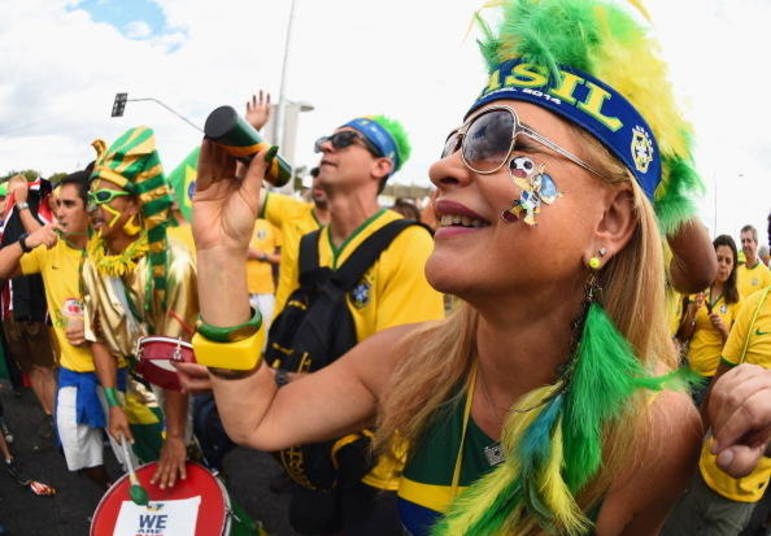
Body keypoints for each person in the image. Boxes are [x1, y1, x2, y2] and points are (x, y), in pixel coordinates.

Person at [180, 0, 710, 534]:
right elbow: (257, 418)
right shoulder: (410, 362)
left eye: (501, 141)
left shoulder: (653, 430)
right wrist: (222, 251)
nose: (441, 167)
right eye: (459, 142)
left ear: (611, 221)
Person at [81, 127, 197, 489]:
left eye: (104, 197)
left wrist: (176, 436)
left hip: (177, 396)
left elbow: (175, 360)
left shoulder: (173, 265)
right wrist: (113, 402)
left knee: (188, 481)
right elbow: (97, 336)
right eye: (91, 198)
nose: (94, 209)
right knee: (145, 481)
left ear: (133, 204)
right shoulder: (91, 261)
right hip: (125, 391)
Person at [0, 167, 121, 490]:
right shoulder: (49, 248)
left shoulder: (114, 250)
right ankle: (111, 490)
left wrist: (97, 327)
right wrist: (26, 242)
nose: (58, 212)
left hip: (120, 373)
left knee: (135, 454)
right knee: (77, 455)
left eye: (68, 205)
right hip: (72, 373)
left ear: (90, 208)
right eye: (56, 205)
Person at [664, 285, 771, 535]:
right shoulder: (755, 304)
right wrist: (691, 449)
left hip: (744, 496)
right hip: (704, 469)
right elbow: (719, 382)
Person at [0, 174, 57, 435]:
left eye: (7, 196)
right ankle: (49, 414)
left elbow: (46, 239)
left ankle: (60, 418)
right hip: (8, 312)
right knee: (30, 367)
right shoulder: (2, 226)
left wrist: (22, 205)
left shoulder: (33, 213)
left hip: (35, 306)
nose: (4, 202)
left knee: (45, 366)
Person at [678, 235, 740, 403]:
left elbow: (735, 348)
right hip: (688, 371)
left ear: (734, 266)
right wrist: (692, 311)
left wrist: (723, 330)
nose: (723, 265)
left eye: (728, 261)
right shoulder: (698, 288)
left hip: (713, 377)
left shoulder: (735, 301)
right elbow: (684, 335)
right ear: (711, 258)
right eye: (719, 259)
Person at [737, 224, 771, 299]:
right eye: (743, 241)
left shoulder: (766, 274)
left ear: (756, 243)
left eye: (749, 241)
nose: (745, 244)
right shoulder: (737, 273)